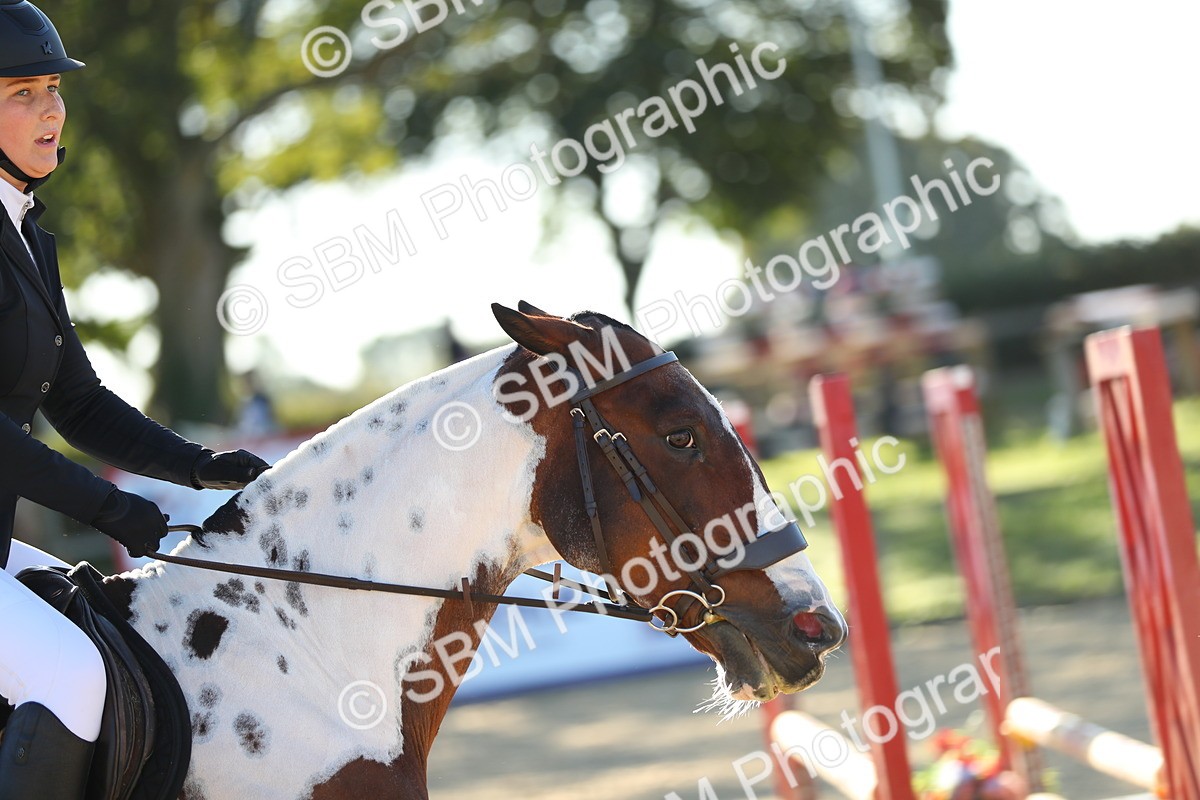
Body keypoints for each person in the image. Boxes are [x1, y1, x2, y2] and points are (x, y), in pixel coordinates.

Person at [0, 2, 270, 796]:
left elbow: (77, 403)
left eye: (53, 88)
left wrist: (197, 466)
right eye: (22, 92)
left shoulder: (26, 237)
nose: (52, 109)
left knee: (114, 637)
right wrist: (108, 511)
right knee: (76, 677)